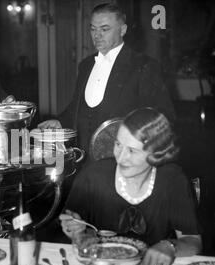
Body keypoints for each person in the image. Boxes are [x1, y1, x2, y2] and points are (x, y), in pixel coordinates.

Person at [59, 108, 202, 265]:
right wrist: (76, 231)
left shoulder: (173, 180)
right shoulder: (92, 176)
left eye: (132, 151)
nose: (120, 157)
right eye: (118, 144)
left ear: (157, 153)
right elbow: (70, 226)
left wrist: (170, 246)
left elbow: (193, 241)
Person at [38, 3, 175, 156]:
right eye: (93, 29)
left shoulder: (144, 65)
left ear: (122, 30)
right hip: (82, 158)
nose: (97, 36)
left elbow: (163, 117)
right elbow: (79, 107)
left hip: (120, 160)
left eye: (104, 29)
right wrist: (61, 122)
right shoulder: (86, 65)